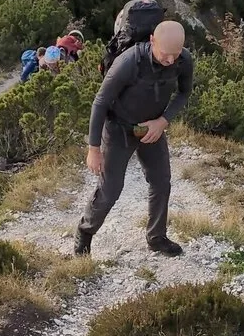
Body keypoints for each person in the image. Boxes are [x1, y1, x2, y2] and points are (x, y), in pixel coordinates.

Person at [75, 20, 193, 258]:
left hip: (151, 130)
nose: (171, 60)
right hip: (119, 129)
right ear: (152, 41)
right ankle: (85, 233)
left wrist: (163, 121)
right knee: (111, 189)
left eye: (175, 54)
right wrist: (93, 148)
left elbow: (184, 93)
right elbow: (100, 102)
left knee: (161, 182)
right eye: (165, 54)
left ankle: (156, 237)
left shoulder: (184, 60)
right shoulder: (129, 62)